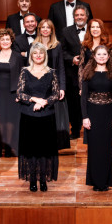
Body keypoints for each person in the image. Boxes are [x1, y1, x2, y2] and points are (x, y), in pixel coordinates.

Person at [16, 42, 61, 192]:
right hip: (28, 115)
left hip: (47, 115)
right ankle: (32, 179)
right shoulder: (24, 71)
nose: (38, 56)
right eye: (35, 53)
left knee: (45, 149)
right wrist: (36, 100)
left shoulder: (51, 72)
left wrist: (45, 102)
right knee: (31, 149)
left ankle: (43, 179)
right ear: (31, 56)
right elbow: (20, 93)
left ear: (45, 55)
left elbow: (55, 94)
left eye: (41, 53)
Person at [80, 45, 112, 191]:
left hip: (108, 113)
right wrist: (85, 117)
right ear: (94, 56)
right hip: (92, 113)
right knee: (94, 148)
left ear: (108, 57)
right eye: (99, 54)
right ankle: (95, 181)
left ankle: (105, 181)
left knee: (106, 148)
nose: (102, 56)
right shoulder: (87, 73)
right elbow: (83, 97)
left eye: (104, 54)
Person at [32, 19, 68, 148]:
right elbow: (29, 66)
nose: (45, 29)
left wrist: (62, 87)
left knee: (54, 116)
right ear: (39, 29)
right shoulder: (34, 45)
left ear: (52, 30)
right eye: (43, 27)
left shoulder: (57, 45)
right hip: (38, 83)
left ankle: (53, 144)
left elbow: (61, 67)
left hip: (53, 85)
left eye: (48, 27)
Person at [0, 28, 24, 157]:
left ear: (11, 41)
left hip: (12, 93)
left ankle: (9, 147)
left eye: (7, 39)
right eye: (2, 39)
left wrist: (20, 93)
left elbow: (22, 76)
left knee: (11, 121)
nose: (4, 41)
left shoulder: (18, 56)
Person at [61, 5, 90, 139]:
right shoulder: (66, 31)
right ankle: (76, 130)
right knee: (74, 104)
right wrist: (72, 59)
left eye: (82, 15)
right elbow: (62, 51)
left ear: (87, 16)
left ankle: (91, 129)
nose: (79, 17)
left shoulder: (93, 29)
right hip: (72, 74)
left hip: (91, 73)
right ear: (73, 17)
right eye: (77, 15)